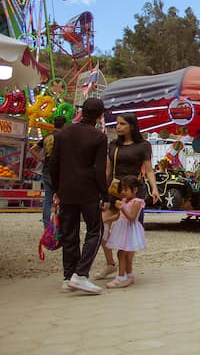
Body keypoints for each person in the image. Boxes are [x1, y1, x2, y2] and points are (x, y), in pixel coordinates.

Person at [50, 98, 107, 294]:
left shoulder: (63, 133)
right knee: (94, 231)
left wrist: (57, 189)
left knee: (69, 234)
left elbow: (54, 163)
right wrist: (105, 195)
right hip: (88, 190)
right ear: (100, 115)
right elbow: (99, 170)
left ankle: (68, 277)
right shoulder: (99, 137)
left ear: (81, 111)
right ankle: (81, 274)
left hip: (66, 190)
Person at [95, 113, 160, 281]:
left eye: (122, 124)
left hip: (135, 192)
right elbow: (107, 170)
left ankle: (127, 270)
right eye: (117, 124)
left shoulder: (143, 146)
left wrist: (154, 188)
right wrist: (101, 191)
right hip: (114, 190)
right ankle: (111, 263)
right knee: (102, 227)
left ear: (131, 126)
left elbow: (149, 169)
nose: (118, 127)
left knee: (130, 231)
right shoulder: (113, 145)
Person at [105, 176, 146, 288]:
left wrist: (122, 208)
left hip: (130, 230)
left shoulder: (137, 202)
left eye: (126, 189)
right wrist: (107, 219)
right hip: (122, 229)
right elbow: (119, 216)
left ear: (135, 189)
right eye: (122, 189)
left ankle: (121, 277)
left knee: (122, 253)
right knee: (124, 254)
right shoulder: (124, 200)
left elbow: (132, 218)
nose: (123, 192)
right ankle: (128, 275)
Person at [30, 116, 66, 228]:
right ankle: (60, 225)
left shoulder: (47, 137)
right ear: (64, 125)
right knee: (62, 199)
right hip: (59, 172)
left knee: (47, 199)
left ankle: (46, 225)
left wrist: (41, 159)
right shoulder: (63, 137)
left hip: (46, 170)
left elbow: (32, 150)